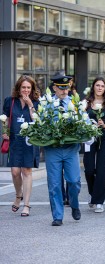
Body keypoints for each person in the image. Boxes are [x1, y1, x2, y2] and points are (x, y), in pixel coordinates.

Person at [42, 74, 82, 226]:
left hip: (71, 149)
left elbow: (83, 121)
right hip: (53, 149)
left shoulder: (75, 103)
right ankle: (57, 216)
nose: (65, 91)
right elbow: (40, 123)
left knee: (74, 181)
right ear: (54, 88)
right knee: (54, 184)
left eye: (67, 88)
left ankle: (74, 203)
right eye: (61, 88)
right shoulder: (46, 103)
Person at [2, 75, 40, 217]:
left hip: (29, 141)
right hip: (14, 141)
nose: (25, 90)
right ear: (18, 88)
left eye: (28, 88)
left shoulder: (36, 102)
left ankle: (27, 205)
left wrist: (30, 104)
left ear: (32, 89)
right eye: (23, 87)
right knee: (15, 172)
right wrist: (5, 131)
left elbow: (37, 120)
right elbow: (5, 118)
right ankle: (19, 194)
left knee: (27, 171)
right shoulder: (10, 101)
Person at [84, 77, 105, 213]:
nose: (100, 88)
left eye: (102, 86)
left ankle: (99, 202)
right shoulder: (86, 102)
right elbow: (80, 119)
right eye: (97, 85)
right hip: (89, 138)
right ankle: (93, 195)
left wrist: (104, 125)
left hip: (104, 137)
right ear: (93, 87)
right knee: (89, 169)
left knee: (101, 169)